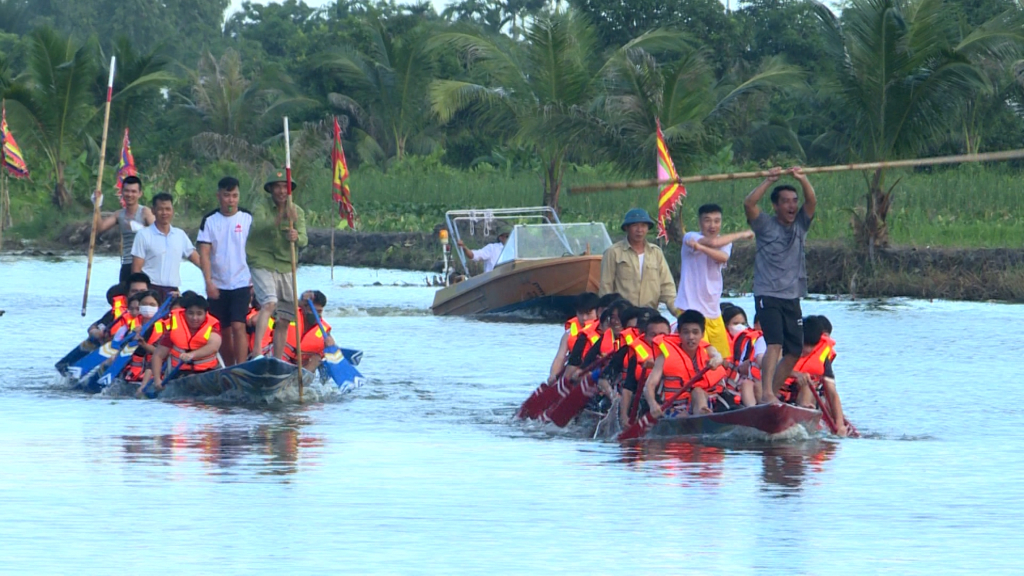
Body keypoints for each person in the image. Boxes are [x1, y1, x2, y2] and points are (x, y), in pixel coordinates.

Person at [743, 166, 817, 404]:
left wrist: (802, 179)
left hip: (792, 295)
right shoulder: (765, 224)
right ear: (776, 206)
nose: (791, 206)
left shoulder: (800, 226)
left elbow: (812, 201)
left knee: (794, 350)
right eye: (785, 202)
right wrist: (768, 180)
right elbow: (749, 204)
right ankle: (765, 393)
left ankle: (771, 394)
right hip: (768, 293)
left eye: (794, 201)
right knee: (774, 342)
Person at [674, 204, 753, 359]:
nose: (713, 225)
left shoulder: (725, 243)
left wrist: (700, 248)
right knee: (700, 356)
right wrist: (742, 234)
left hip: (713, 311)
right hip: (690, 307)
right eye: (708, 221)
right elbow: (713, 244)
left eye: (717, 221)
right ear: (699, 222)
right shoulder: (690, 237)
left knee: (724, 359)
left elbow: (722, 257)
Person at [247, 171, 308, 360]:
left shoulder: (297, 211)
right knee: (269, 303)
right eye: (278, 187)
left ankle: (277, 358)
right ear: (271, 189)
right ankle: (257, 353)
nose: (281, 191)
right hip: (261, 260)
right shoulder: (261, 207)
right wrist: (281, 214)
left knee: (286, 315)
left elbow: (304, 239)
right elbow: (259, 227)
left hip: (286, 264)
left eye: (285, 187)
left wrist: (296, 237)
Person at [197, 176, 253, 367]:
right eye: (227, 196)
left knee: (239, 325)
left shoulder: (248, 218)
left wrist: (254, 280)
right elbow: (204, 253)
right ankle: (229, 367)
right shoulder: (210, 220)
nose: (231, 200)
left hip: (242, 281)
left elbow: (255, 251)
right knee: (223, 329)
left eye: (235, 196)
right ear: (219, 196)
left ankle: (243, 366)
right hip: (218, 284)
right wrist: (208, 282)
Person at [642, 310, 726, 417]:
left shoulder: (707, 349)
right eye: (686, 332)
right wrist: (653, 404)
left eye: (695, 332)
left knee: (698, 391)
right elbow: (649, 385)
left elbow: (717, 356)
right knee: (683, 415)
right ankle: (696, 420)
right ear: (679, 334)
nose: (691, 337)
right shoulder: (664, 355)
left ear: (702, 335)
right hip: (673, 407)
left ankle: (701, 414)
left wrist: (717, 360)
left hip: (701, 402)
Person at [599, 208, 680, 315]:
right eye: (635, 226)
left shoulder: (656, 253)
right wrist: (608, 315)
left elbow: (667, 287)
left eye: (643, 226)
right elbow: (606, 287)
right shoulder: (613, 252)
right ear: (626, 228)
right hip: (623, 315)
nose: (639, 230)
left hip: (650, 314)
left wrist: (678, 313)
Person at [780, 316, 848, 436]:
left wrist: (840, 424)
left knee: (807, 383)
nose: (807, 350)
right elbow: (770, 368)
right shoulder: (783, 346)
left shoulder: (823, 355)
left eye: (811, 346)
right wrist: (796, 374)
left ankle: (804, 414)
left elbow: (832, 392)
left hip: (804, 394)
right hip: (779, 390)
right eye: (804, 345)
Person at [131, 192, 201, 302]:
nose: (164, 213)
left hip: (173, 292)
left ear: (172, 211)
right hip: (151, 291)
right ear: (153, 211)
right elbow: (136, 269)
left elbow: (197, 259)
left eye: (168, 209)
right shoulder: (143, 235)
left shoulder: (180, 235)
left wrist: (212, 275)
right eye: (160, 209)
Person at [149, 292, 222, 392]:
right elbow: (158, 355)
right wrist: (157, 380)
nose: (194, 318)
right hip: (181, 372)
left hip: (209, 371)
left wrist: (192, 355)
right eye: (190, 313)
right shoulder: (174, 329)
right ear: (184, 313)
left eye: (199, 314)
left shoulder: (212, 326)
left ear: (206, 314)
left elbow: (213, 346)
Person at [93, 176, 155, 283]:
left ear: (140, 194)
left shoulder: (145, 212)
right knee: (122, 297)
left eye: (133, 191)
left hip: (145, 264)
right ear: (122, 192)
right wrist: (97, 206)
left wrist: (141, 228)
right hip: (127, 263)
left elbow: (159, 233)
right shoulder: (119, 215)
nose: (130, 195)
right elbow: (100, 228)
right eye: (127, 191)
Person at [620, 313, 669, 426]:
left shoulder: (679, 352)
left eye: (662, 334)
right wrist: (624, 417)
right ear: (645, 336)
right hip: (645, 401)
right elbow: (628, 389)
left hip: (675, 401)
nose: (658, 339)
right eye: (653, 335)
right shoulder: (636, 356)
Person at [278, 290, 336, 371]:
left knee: (316, 359)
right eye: (313, 310)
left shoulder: (324, 330)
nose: (317, 315)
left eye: (319, 311)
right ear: (304, 307)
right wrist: (300, 301)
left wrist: (331, 347)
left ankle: (299, 380)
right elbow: (277, 304)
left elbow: (332, 349)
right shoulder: (290, 314)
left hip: (303, 367)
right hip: (281, 360)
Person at [548, 292, 600, 380]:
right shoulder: (569, 333)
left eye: (588, 314)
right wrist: (552, 376)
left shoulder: (604, 331)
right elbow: (560, 358)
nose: (584, 318)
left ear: (598, 312)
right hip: (574, 371)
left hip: (595, 371)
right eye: (580, 313)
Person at [122, 291, 165, 383]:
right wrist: (131, 335)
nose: (148, 307)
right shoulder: (130, 323)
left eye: (152, 305)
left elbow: (163, 351)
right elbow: (119, 345)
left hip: (153, 370)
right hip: (131, 370)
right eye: (144, 304)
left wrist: (144, 345)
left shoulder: (164, 326)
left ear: (158, 307)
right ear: (139, 306)